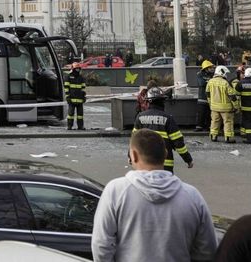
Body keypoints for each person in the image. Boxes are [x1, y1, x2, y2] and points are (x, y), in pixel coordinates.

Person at [91, 129, 217, 262]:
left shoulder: (116, 191)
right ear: (166, 154)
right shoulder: (192, 196)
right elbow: (207, 249)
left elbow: (101, 244)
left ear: (133, 155)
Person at [133, 87, 193, 173]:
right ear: (162, 101)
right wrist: (188, 159)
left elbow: (134, 139)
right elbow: (178, 143)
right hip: (165, 165)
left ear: (148, 102)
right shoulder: (168, 119)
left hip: (145, 163)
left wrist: (130, 157)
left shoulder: (140, 117)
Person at [207, 65, 238, 143]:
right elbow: (232, 96)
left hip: (214, 107)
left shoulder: (210, 81)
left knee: (214, 121)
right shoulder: (225, 83)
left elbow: (207, 94)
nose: (226, 75)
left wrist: (211, 103)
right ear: (222, 72)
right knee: (228, 122)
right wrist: (236, 106)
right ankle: (228, 138)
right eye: (225, 73)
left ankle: (213, 136)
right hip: (226, 108)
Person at [235, 67, 251, 144]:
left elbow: (236, 96)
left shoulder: (240, 83)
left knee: (249, 123)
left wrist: (237, 107)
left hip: (246, 108)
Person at [64, 62, 86, 130]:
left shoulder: (81, 77)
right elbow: (66, 88)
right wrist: (67, 96)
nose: (78, 70)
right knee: (70, 114)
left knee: (80, 115)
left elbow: (83, 88)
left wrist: (83, 96)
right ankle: (69, 126)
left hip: (79, 99)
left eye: (78, 69)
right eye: (76, 69)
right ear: (73, 69)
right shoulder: (68, 77)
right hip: (71, 99)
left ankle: (80, 126)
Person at [195, 60, 216, 131]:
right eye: (211, 68)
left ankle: (208, 127)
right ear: (206, 68)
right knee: (201, 114)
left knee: (209, 114)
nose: (212, 69)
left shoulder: (214, 75)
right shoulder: (199, 74)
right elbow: (201, 83)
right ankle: (199, 127)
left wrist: (208, 82)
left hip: (211, 98)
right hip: (202, 98)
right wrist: (210, 82)